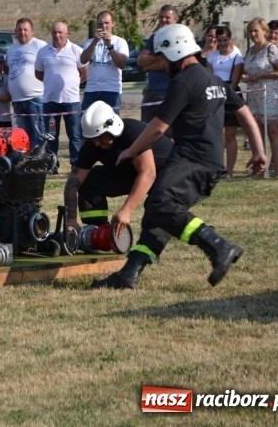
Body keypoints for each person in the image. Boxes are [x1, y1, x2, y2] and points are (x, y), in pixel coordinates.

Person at [90, 24, 266, 290]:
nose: (161, 63)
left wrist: (130, 150)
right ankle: (129, 273)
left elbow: (158, 127)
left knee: (162, 205)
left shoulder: (183, 81)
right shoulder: (211, 79)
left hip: (193, 159)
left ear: (176, 51)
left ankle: (218, 246)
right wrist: (259, 150)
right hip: (205, 160)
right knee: (156, 212)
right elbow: (243, 112)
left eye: (162, 57)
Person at [65, 101, 172, 242]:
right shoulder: (92, 145)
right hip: (133, 172)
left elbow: (148, 173)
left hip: (167, 173)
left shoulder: (132, 133)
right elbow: (73, 183)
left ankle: (149, 248)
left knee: (155, 207)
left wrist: (126, 211)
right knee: (90, 180)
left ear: (112, 128)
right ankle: (98, 232)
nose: (96, 142)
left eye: (100, 137)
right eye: (92, 138)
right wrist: (70, 220)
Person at [34, 22, 86, 171]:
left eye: (60, 32)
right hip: (50, 101)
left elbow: (85, 72)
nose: (57, 35)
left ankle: (76, 164)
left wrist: (73, 84)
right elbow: (39, 73)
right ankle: (52, 165)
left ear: (67, 33)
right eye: (54, 32)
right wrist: (51, 82)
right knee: (51, 137)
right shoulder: (43, 51)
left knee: (75, 135)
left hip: (71, 101)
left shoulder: (76, 50)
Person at [241, 17, 278, 176]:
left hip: (269, 93)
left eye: (256, 30)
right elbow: (247, 70)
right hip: (253, 95)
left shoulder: (271, 49)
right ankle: (259, 168)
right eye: (250, 31)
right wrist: (246, 76)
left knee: (272, 131)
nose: (253, 34)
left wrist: (261, 76)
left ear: (264, 31)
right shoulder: (250, 51)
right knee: (256, 133)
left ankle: (277, 169)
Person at [206, 26, 244, 179]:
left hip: (231, 92)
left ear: (230, 39)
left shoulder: (236, 56)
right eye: (219, 40)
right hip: (215, 91)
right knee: (217, 134)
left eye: (225, 40)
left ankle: (229, 170)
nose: (221, 43)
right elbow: (209, 75)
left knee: (230, 134)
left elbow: (236, 79)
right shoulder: (211, 56)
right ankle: (217, 168)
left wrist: (226, 93)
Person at [5, 18, 47, 149]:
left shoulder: (40, 46)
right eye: (19, 30)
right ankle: (28, 162)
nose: (22, 32)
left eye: (25, 30)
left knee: (38, 133)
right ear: (15, 32)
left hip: (35, 97)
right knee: (24, 135)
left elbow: (48, 67)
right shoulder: (11, 49)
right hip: (17, 100)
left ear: (32, 31)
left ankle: (42, 160)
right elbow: (7, 68)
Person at [80, 11, 129, 113]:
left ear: (113, 23)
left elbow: (122, 64)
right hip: (92, 89)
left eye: (107, 23)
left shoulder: (120, 42)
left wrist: (109, 46)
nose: (104, 26)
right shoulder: (90, 42)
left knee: (111, 123)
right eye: (100, 23)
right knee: (87, 122)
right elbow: (83, 60)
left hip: (111, 89)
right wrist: (94, 43)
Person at [137, 5, 179, 123]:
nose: (163, 20)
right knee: (145, 129)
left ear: (176, 19)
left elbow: (167, 64)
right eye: (161, 17)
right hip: (151, 91)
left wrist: (148, 66)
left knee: (166, 131)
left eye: (167, 17)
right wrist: (157, 56)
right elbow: (140, 61)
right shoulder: (154, 37)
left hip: (168, 90)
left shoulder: (178, 38)